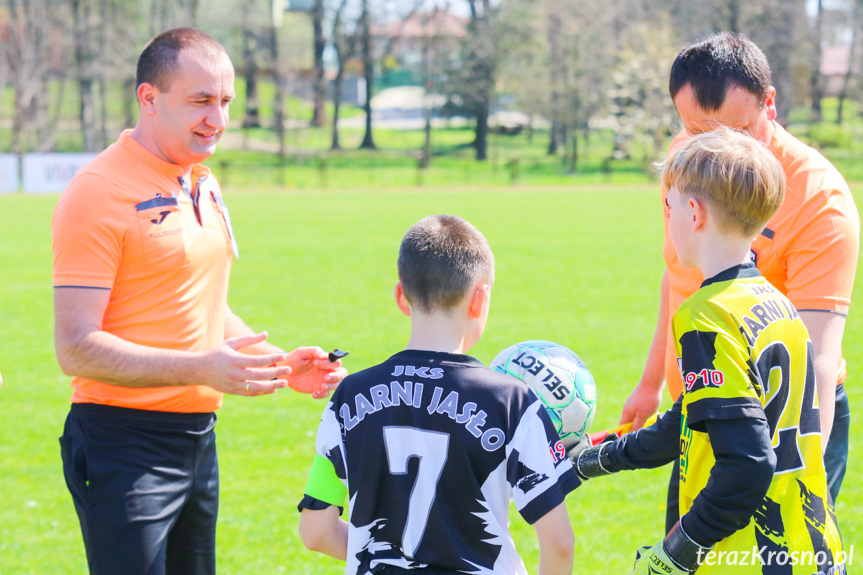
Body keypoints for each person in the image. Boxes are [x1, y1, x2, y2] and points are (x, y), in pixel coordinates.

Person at [52, 28, 347, 575]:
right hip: (123, 444)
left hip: (198, 441)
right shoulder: (99, 191)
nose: (218, 118)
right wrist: (203, 368)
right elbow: (75, 348)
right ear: (149, 98)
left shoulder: (203, 183)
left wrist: (279, 364)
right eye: (200, 101)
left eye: (226, 101)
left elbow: (207, 313)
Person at [576, 127, 845, 575]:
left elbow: (748, 464)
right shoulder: (777, 302)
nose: (668, 219)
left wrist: (678, 551)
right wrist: (596, 459)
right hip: (812, 551)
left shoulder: (706, 316)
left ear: (694, 213)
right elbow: (689, 421)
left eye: (670, 206)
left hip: (751, 558)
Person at [619, 33, 859, 521]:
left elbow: (814, 360)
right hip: (701, 406)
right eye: (697, 132)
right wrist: (651, 383)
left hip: (783, 426)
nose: (716, 153)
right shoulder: (687, 161)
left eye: (738, 131)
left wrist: (802, 482)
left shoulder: (821, 204)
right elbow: (679, 275)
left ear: (769, 103)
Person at [297, 214, 578, 575]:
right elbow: (559, 543)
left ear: (401, 296)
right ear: (480, 299)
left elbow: (315, 532)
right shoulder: (511, 402)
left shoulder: (349, 396)